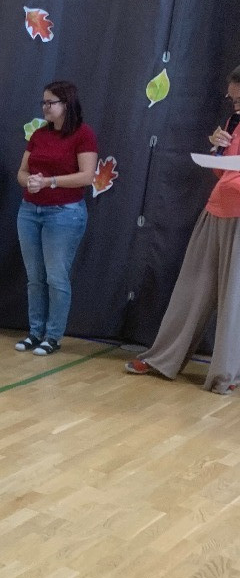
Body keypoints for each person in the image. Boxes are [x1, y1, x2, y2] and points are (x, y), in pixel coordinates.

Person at [125, 67, 240, 394]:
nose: (234, 105)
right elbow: (222, 172)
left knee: (234, 298)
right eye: (232, 99)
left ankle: (227, 374)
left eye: (239, 99)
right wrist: (218, 149)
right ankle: (163, 358)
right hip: (216, 209)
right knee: (191, 289)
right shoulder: (234, 122)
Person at [15, 81, 98, 356]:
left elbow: (87, 176)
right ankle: (35, 332)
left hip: (64, 213)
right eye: (43, 102)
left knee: (56, 277)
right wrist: (30, 181)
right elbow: (22, 172)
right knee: (34, 277)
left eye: (50, 103)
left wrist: (50, 181)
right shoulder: (39, 134)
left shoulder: (83, 134)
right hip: (30, 210)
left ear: (66, 104)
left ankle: (53, 336)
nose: (45, 107)